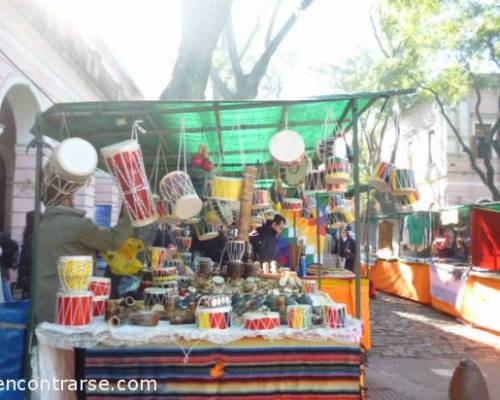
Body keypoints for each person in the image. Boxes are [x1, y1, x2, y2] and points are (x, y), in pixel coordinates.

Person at [35, 195, 132, 323]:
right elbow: (113, 240)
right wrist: (130, 216)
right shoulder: (78, 225)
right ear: (65, 199)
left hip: (44, 301)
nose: (73, 200)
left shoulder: (43, 224)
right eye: (70, 197)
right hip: (72, 304)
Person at [17, 211, 34, 299]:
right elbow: (29, 257)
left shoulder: (28, 234)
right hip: (31, 274)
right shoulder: (32, 236)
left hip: (27, 273)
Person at [0, 231, 19, 302]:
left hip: (3, 264)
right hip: (4, 264)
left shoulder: (3, 240)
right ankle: (9, 301)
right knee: (5, 283)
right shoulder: (6, 240)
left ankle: (9, 301)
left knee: (4, 283)